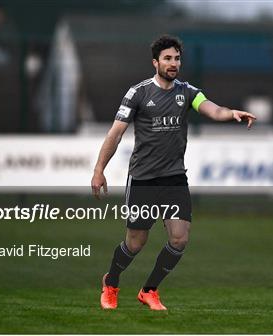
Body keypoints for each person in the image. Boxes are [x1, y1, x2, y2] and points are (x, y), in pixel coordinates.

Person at [91, 35, 256, 311]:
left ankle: (149, 290)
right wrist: (99, 170)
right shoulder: (138, 93)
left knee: (179, 238)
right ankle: (111, 282)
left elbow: (213, 110)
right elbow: (116, 133)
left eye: (177, 58)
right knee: (135, 243)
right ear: (155, 62)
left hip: (174, 177)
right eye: (167, 58)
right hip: (143, 179)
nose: (173, 63)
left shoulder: (187, 91)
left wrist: (231, 114)